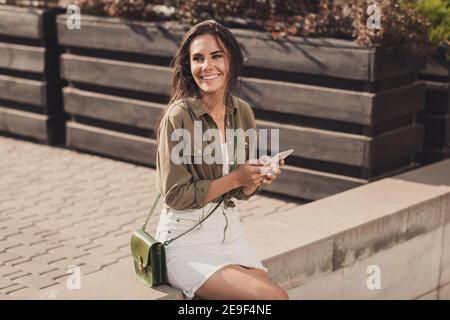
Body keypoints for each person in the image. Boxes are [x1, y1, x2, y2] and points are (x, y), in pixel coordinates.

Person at [154, 20, 289, 300]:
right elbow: (175, 195)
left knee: (275, 296)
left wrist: (256, 177)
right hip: (185, 239)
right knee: (274, 300)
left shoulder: (242, 112)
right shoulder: (179, 117)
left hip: (231, 235)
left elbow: (240, 192)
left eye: (217, 56)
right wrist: (237, 177)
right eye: (198, 58)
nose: (207, 66)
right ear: (188, 66)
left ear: (232, 61)